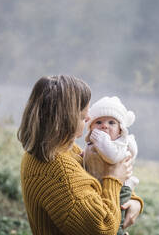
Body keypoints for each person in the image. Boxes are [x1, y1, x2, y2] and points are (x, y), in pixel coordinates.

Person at [18, 75, 143, 235]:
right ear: (64, 119)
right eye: (84, 116)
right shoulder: (57, 170)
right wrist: (113, 179)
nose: (90, 118)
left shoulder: (63, 149)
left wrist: (133, 199)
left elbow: (93, 183)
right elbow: (103, 228)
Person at [83, 96, 139, 235]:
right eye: (99, 122)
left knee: (116, 220)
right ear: (90, 127)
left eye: (111, 122)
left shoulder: (117, 145)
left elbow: (112, 158)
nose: (104, 126)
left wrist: (103, 140)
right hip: (102, 187)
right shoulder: (94, 144)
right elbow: (91, 158)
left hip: (120, 189)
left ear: (120, 130)